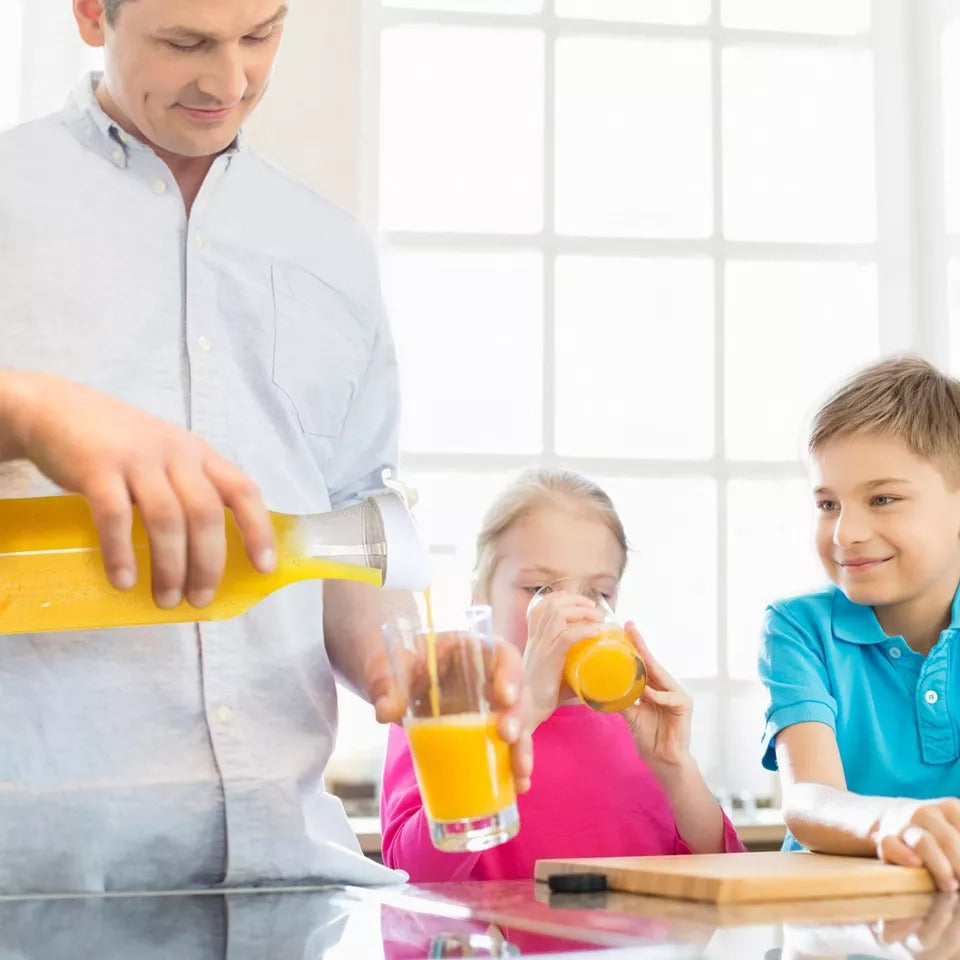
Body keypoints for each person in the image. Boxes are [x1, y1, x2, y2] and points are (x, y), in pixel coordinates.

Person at [0, 0, 531, 893]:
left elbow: (349, 524)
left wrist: (406, 665)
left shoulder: (330, 246)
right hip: (33, 882)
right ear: (92, 13)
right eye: (186, 42)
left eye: (261, 34)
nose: (230, 80)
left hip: (289, 879)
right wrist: (26, 411)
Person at [380, 469, 745, 881]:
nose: (569, 613)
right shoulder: (441, 710)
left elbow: (729, 882)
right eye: (539, 590)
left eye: (598, 593)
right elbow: (412, 876)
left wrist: (676, 768)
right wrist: (523, 713)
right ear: (480, 597)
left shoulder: (638, 725)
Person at [759, 357, 960, 893]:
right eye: (828, 504)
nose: (846, 533)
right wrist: (894, 821)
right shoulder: (798, 629)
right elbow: (807, 799)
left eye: (883, 499)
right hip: (826, 914)